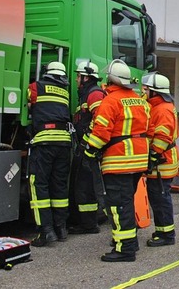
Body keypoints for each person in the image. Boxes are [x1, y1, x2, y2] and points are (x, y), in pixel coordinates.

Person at [84, 59, 150, 262]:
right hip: (138, 160)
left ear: (110, 79)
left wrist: (89, 151)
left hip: (119, 160)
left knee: (118, 205)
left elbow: (101, 132)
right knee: (126, 201)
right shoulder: (140, 99)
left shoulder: (110, 101)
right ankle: (130, 242)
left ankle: (126, 249)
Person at [27, 61, 73, 247]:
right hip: (64, 143)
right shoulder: (65, 92)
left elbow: (30, 103)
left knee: (39, 184)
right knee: (59, 186)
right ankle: (61, 228)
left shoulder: (36, 86)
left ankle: (45, 231)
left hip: (44, 141)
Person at [142, 72, 179, 247]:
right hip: (161, 160)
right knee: (158, 198)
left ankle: (167, 235)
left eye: (146, 89)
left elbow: (163, 136)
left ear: (155, 92)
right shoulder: (158, 106)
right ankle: (162, 231)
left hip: (162, 162)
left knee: (161, 198)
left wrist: (154, 154)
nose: (144, 91)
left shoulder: (163, 109)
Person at [69, 60, 105, 235]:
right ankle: (87, 222)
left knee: (86, 186)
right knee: (83, 185)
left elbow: (99, 121)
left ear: (86, 77)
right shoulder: (86, 94)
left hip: (89, 147)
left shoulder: (94, 94)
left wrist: (86, 142)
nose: (76, 79)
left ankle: (90, 224)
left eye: (78, 76)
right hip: (85, 146)